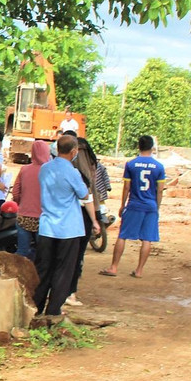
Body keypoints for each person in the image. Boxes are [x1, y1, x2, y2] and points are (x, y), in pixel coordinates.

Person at [33, 133, 90, 322]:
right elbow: (83, 194)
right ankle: (54, 309)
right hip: (68, 228)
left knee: (43, 268)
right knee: (64, 270)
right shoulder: (72, 172)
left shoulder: (45, 169)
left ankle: (36, 306)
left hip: (48, 226)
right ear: (74, 151)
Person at [101, 135, 166, 279]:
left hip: (134, 204)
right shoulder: (159, 167)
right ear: (152, 148)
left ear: (139, 146)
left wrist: (122, 205)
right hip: (150, 206)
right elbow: (160, 190)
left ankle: (114, 267)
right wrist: (157, 207)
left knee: (123, 235)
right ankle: (139, 270)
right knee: (147, 239)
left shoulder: (131, 164)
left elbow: (126, 187)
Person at [63, 131, 101, 308]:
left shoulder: (64, 167)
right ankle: (70, 292)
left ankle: (63, 292)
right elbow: (90, 196)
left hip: (69, 214)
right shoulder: (89, 157)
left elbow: (86, 196)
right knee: (77, 256)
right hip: (85, 213)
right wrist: (95, 219)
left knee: (65, 255)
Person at [9, 139, 52, 261]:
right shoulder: (50, 171)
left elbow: (16, 193)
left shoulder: (24, 169)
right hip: (43, 219)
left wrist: (22, 204)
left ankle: (18, 276)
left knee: (22, 251)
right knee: (42, 253)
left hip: (23, 217)